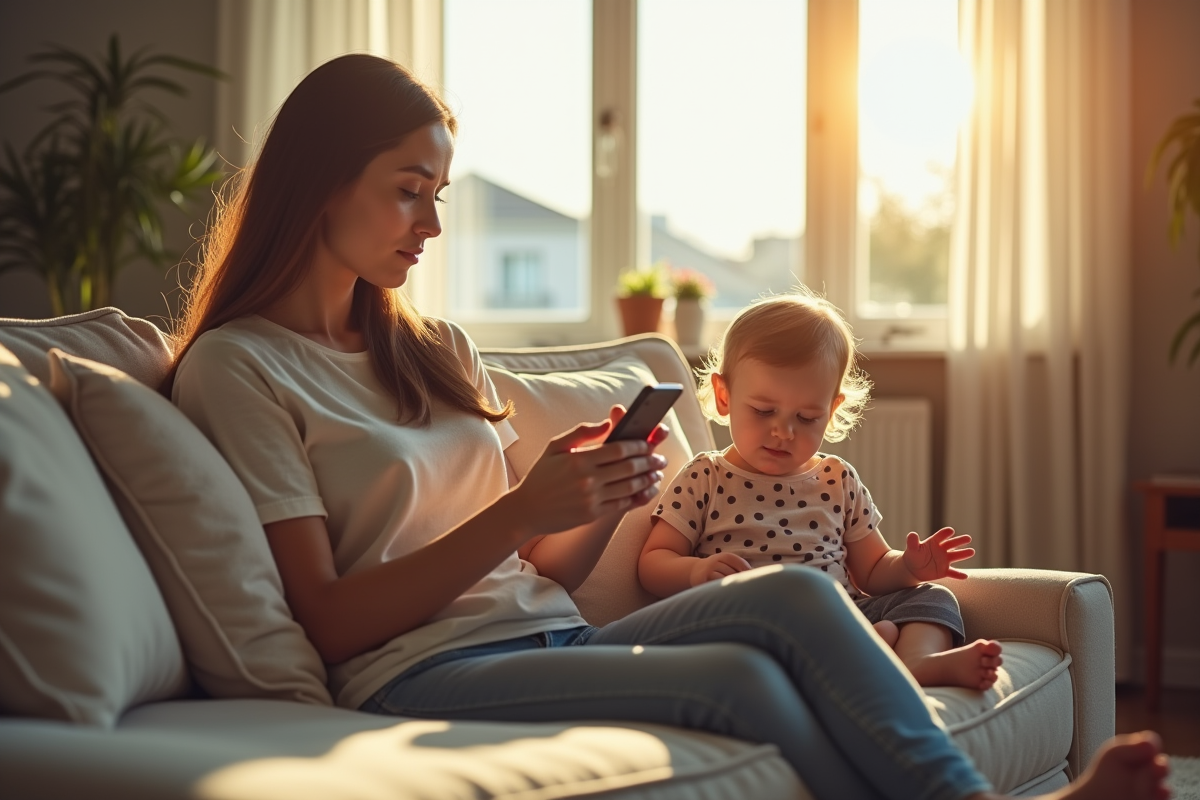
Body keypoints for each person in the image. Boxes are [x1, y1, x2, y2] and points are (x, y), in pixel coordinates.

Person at [165, 53, 1170, 800]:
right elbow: (331, 619)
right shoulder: (240, 366)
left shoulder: (435, 351)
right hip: (415, 671)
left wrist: (597, 496)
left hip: (542, 628)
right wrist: (518, 505)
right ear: (322, 179)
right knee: (744, 669)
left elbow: (547, 569)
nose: (430, 225)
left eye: (438, 196)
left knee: (788, 599)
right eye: (407, 191)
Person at [638, 292, 1002, 690]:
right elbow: (653, 561)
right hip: (753, 622)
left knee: (932, 598)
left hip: (841, 614)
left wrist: (910, 568)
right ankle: (858, 656)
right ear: (724, 397)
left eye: (807, 417)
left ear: (830, 410)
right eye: (763, 411)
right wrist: (694, 571)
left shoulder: (837, 479)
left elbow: (874, 571)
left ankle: (916, 663)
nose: (783, 431)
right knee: (729, 639)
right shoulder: (705, 476)